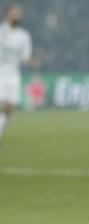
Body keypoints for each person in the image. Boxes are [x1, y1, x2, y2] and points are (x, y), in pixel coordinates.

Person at [0, 4, 37, 145]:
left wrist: (32, 62)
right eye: (15, 13)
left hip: (14, 75)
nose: (18, 16)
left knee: (10, 108)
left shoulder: (24, 36)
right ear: (7, 14)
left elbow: (25, 57)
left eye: (19, 13)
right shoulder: (1, 31)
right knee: (2, 104)